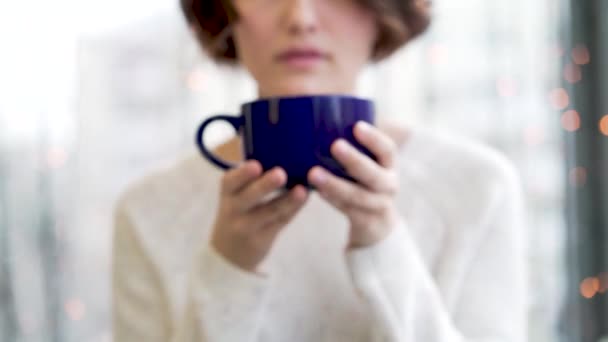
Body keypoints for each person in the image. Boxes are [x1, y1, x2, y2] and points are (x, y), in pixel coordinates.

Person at [112, 0, 528, 341]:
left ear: (386, 12)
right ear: (222, 10)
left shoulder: (478, 186)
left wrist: (383, 244)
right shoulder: (150, 209)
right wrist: (228, 267)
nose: (301, 18)